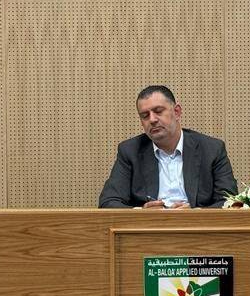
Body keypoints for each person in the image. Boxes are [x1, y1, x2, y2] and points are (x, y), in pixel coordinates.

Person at [99, 86, 237, 209]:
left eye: (158, 111)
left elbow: (229, 202)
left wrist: (195, 214)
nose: (152, 120)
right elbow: (109, 202)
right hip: (149, 227)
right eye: (145, 116)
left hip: (197, 227)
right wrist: (142, 213)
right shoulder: (130, 151)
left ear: (177, 112)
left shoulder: (212, 149)